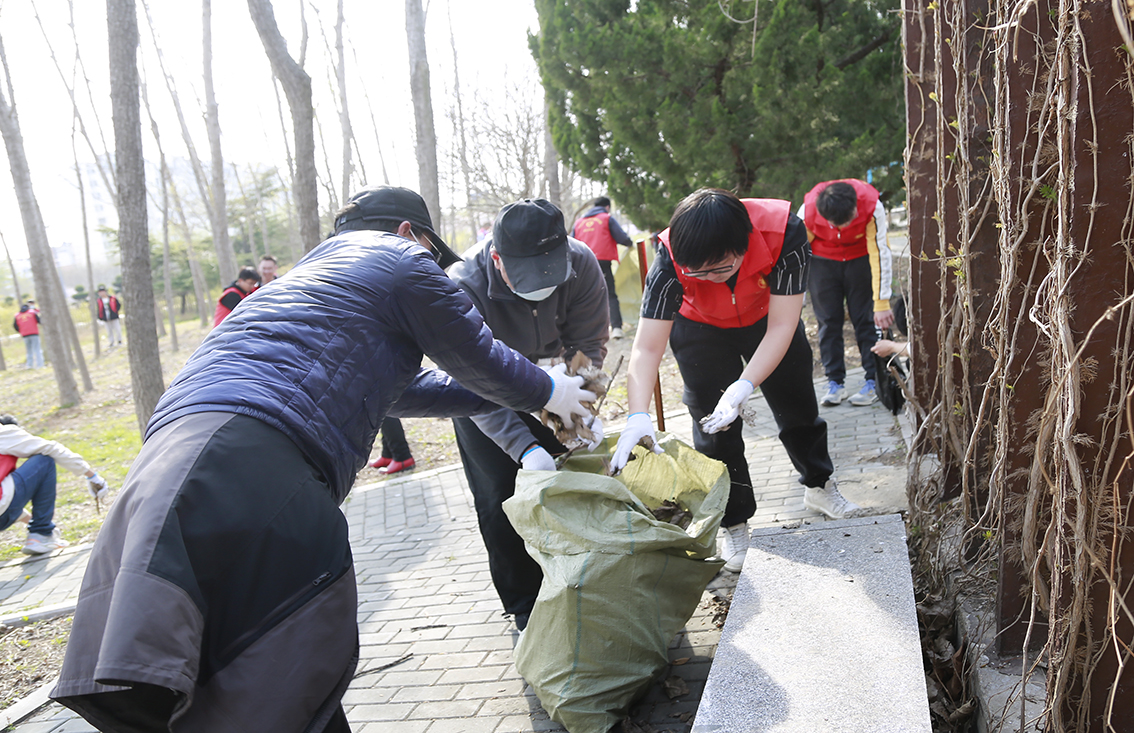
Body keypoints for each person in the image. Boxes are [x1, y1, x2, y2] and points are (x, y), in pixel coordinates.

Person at [52, 186, 596, 733]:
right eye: (433, 255)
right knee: (285, 672)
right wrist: (546, 390)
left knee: (209, 670)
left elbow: (405, 393)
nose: (435, 269)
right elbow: (475, 354)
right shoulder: (400, 257)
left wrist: (524, 394)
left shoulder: (301, 287)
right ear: (410, 233)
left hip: (168, 462)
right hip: (254, 460)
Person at [610, 188, 859, 573]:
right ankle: (734, 524)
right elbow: (646, 348)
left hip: (768, 318)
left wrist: (744, 385)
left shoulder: (784, 232)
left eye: (720, 269)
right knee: (713, 428)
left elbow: (782, 325)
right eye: (698, 272)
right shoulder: (670, 255)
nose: (709, 279)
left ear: (744, 244)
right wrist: (637, 415)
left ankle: (819, 486)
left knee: (796, 405)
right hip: (700, 326)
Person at [450, 198, 609, 631]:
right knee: (500, 496)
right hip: (483, 393)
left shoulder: (582, 262)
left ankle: (584, 584)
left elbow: (589, 344)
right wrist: (524, 448)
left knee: (576, 478)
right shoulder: (462, 287)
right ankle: (524, 609)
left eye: (549, 275)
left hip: (558, 378)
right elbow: (473, 377)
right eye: (527, 278)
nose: (541, 287)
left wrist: (579, 409)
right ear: (497, 259)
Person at [799, 179, 893, 407]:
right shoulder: (807, 213)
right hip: (823, 263)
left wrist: (881, 303)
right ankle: (834, 382)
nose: (843, 227)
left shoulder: (872, 205)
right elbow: (797, 255)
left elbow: (880, 252)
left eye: (849, 220)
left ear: (855, 207)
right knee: (828, 321)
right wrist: (796, 298)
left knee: (866, 319)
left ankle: (873, 380)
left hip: (860, 260)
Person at [0, 414, 110, 555]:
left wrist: (35, 523)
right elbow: (51, 448)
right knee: (44, 460)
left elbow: (8, 504)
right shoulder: (4, 432)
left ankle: (42, 535)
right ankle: (41, 533)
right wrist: (92, 476)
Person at [572, 196, 634, 338]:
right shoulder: (606, 218)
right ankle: (616, 328)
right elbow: (622, 237)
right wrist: (630, 244)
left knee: (586, 296)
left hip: (582, 264)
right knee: (609, 294)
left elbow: (571, 243)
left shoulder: (579, 222)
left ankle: (588, 331)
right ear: (607, 207)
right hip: (602, 262)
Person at [12, 303, 43, 369]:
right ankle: (40, 365)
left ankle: (29, 365)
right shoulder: (32, 312)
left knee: (29, 350)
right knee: (37, 349)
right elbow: (39, 321)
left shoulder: (17, 315)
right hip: (34, 333)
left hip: (24, 335)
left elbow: (15, 325)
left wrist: (20, 331)